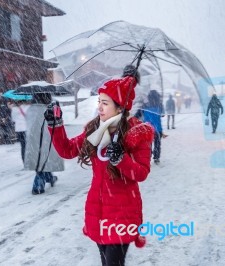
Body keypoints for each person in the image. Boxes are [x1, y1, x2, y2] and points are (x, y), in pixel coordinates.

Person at [44, 67, 154, 266]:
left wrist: (121, 158)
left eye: (105, 103)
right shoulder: (95, 130)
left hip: (123, 212)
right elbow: (68, 150)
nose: (100, 107)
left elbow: (141, 173)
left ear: (120, 107)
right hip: (98, 210)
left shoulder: (138, 132)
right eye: (99, 102)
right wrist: (56, 124)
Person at [24, 92, 64, 195]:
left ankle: (50, 178)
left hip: (34, 140)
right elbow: (55, 123)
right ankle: (38, 186)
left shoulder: (31, 109)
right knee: (43, 161)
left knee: (40, 161)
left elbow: (30, 124)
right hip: (46, 139)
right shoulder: (48, 109)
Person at [135, 89, 165, 165]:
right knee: (157, 144)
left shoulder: (144, 105)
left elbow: (137, 116)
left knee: (148, 145)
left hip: (147, 129)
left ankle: (147, 158)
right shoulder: (160, 105)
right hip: (158, 128)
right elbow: (163, 114)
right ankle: (156, 158)